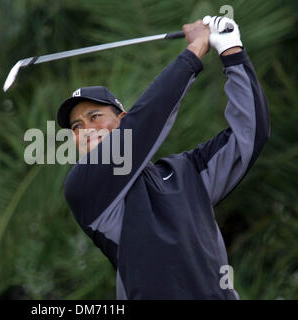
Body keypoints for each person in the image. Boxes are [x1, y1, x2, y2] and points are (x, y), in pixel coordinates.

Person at [56, 16, 270, 299]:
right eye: (77, 127)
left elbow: (250, 133)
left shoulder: (186, 171)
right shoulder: (83, 188)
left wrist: (231, 50)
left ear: (121, 120)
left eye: (94, 117)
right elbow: (144, 123)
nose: (86, 130)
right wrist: (194, 51)